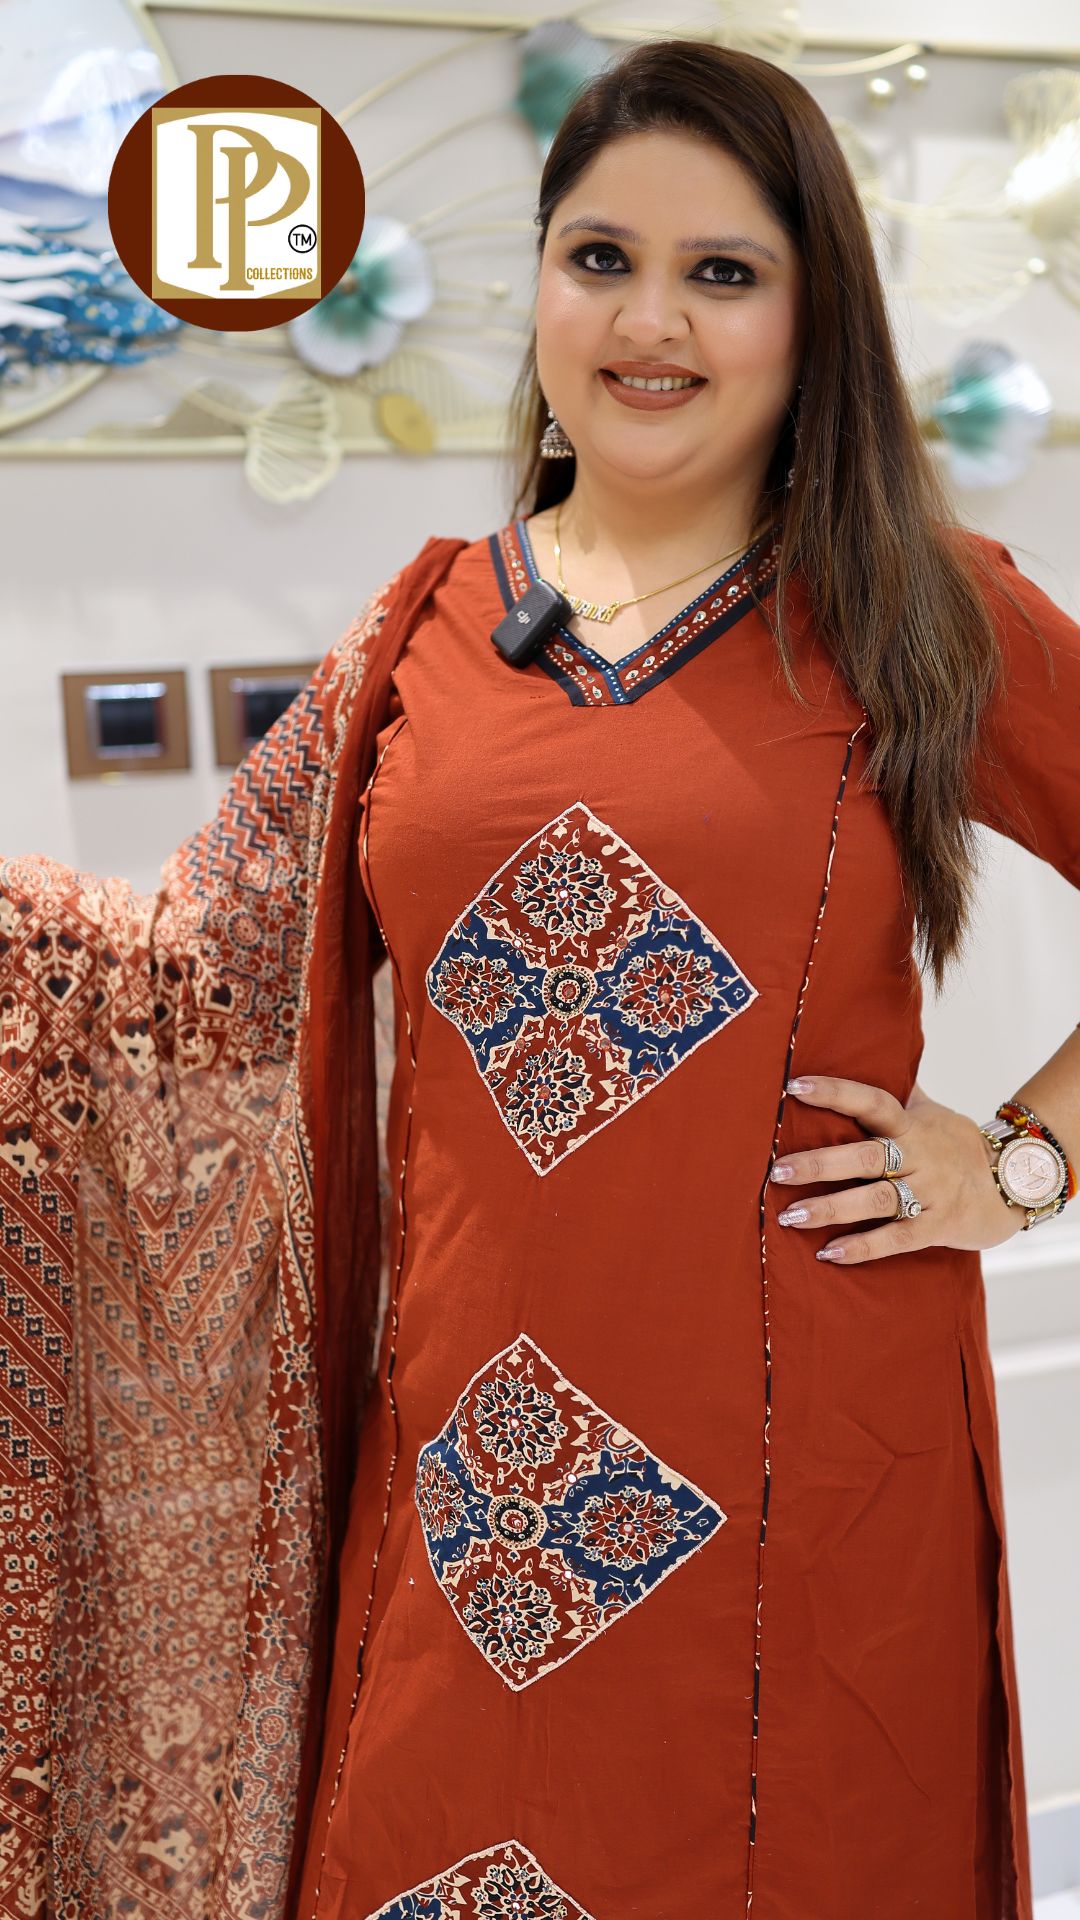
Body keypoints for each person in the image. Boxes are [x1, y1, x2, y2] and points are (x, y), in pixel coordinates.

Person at [2, 35, 1078, 1920]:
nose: (650, 321)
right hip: (469, 1491)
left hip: (805, 1466)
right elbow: (172, 982)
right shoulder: (421, 627)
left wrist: (1025, 1162)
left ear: (814, 316)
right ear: (542, 289)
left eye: (722, 271)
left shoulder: (912, 600)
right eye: (601, 258)